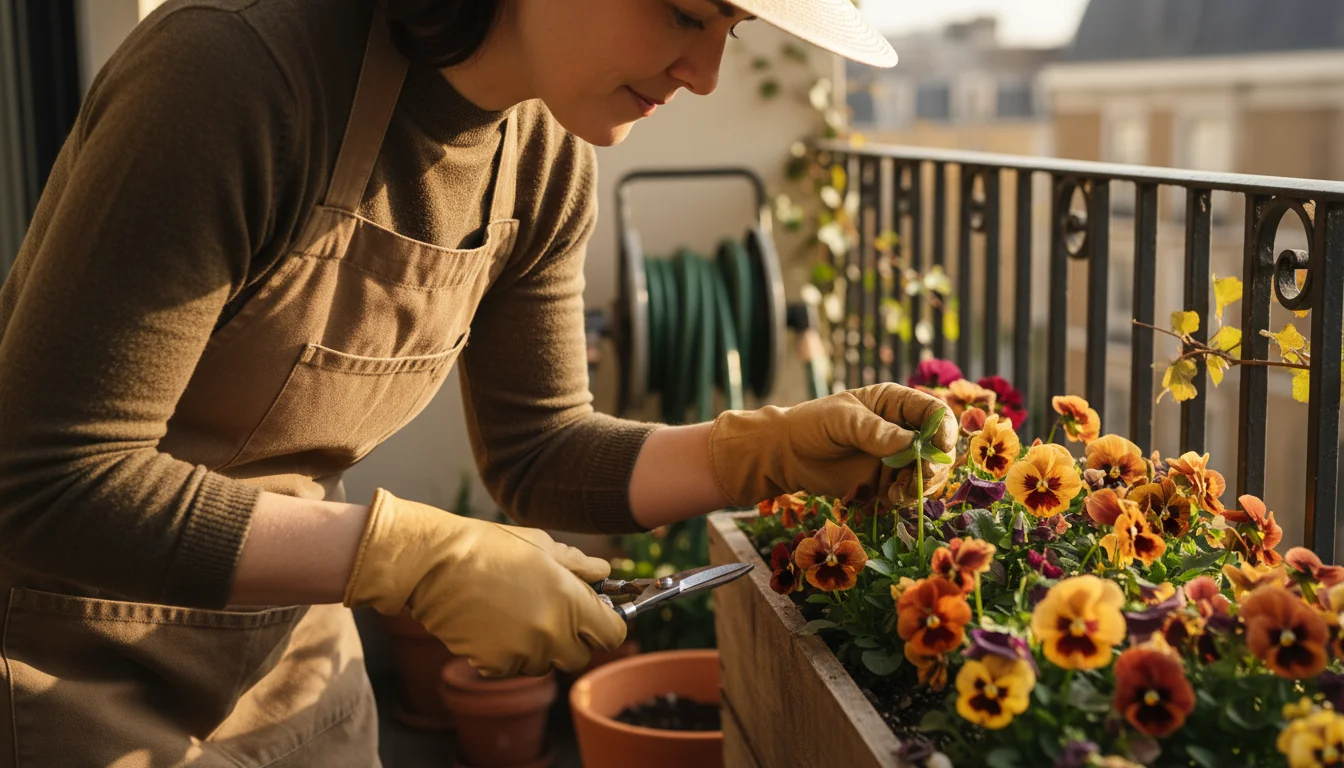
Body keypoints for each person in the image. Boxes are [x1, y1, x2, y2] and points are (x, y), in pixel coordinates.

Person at [0, 0, 956, 764]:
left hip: (290, 671)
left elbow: (541, 453)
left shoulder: (543, 159)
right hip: (61, 669)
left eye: (730, 30)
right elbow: (47, 483)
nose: (703, 76)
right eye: (680, 12)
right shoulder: (234, 74)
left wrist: (763, 450)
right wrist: (401, 555)